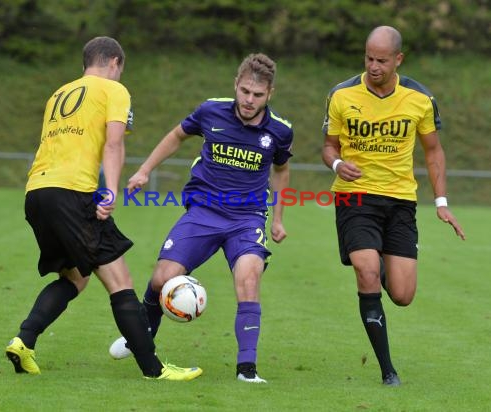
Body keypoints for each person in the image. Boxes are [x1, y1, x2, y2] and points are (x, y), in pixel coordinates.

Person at [4, 36, 202, 381]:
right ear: (114, 63)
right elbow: (113, 143)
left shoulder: (59, 94)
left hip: (37, 192)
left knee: (74, 277)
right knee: (121, 282)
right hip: (73, 193)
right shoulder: (114, 91)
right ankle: (154, 370)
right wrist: (109, 191)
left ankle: (24, 340)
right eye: (120, 71)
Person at [110, 53, 294, 383]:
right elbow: (176, 136)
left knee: (250, 279)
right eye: (245, 92)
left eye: (258, 95)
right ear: (236, 85)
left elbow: (281, 170)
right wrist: (144, 170)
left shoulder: (279, 131)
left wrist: (278, 218)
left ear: (270, 94)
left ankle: (247, 370)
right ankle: (141, 336)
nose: (250, 100)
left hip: (246, 218)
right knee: (161, 278)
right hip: (204, 211)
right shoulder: (211, 110)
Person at [321, 26, 465, 386]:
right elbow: (328, 146)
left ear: (398, 59)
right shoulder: (341, 95)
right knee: (366, 270)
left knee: (402, 295)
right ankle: (388, 371)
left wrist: (442, 201)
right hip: (355, 196)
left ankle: (377, 263)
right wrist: (338, 164)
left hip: (401, 201)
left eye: (382, 60)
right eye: (369, 58)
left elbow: (433, 151)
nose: (373, 66)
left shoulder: (420, 98)